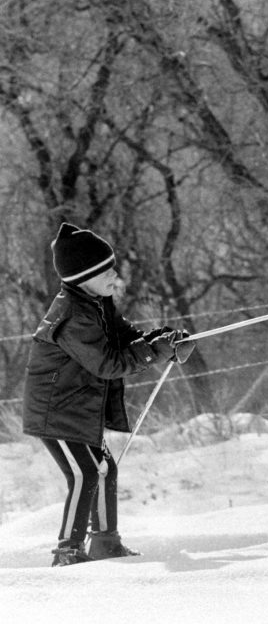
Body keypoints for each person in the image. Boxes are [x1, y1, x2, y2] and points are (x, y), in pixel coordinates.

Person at [22, 223, 194, 566]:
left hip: (76, 406)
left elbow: (124, 338)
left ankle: (104, 543)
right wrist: (153, 352)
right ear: (83, 276)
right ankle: (68, 551)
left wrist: (162, 341)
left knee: (104, 469)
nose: (115, 277)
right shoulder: (72, 316)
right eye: (107, 271)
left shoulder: (96, 303)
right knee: (85, 472)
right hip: (54, 411)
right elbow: (108, 363)